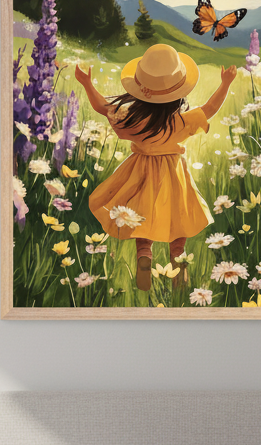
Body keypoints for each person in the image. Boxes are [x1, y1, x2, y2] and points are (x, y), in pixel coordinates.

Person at [75, 44, 238, 291]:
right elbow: (210, 109)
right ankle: (178, 259)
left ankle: (144, 255)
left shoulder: (134, 120)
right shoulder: (181, 121)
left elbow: (103, 108)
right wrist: (225, 83)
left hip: (140, 171)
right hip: (174, 174)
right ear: (179, 92)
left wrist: (87, 84)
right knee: (178, 217)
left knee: (143, 215)